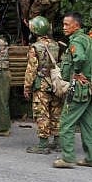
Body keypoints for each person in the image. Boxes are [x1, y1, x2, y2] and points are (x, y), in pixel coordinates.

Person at [53, 12, 92, 169]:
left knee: (66, 122)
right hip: (91, 88)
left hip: (79, 89)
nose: (64, 27)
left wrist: (77, 72)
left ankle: (67, 158)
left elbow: (79, 58)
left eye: (67, 24)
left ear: (77, 25)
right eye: (64, 24)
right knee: (88, 125)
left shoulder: (76, 41)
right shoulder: (90, 40)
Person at [24, 16, 63, 154]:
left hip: (41, 84)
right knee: (56, 112)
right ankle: (58, 142)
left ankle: (43, 144)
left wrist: (27, 87)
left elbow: (31, 69)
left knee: (42, 113)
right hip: (55, 82)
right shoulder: (56, 45)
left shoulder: (35, 47)